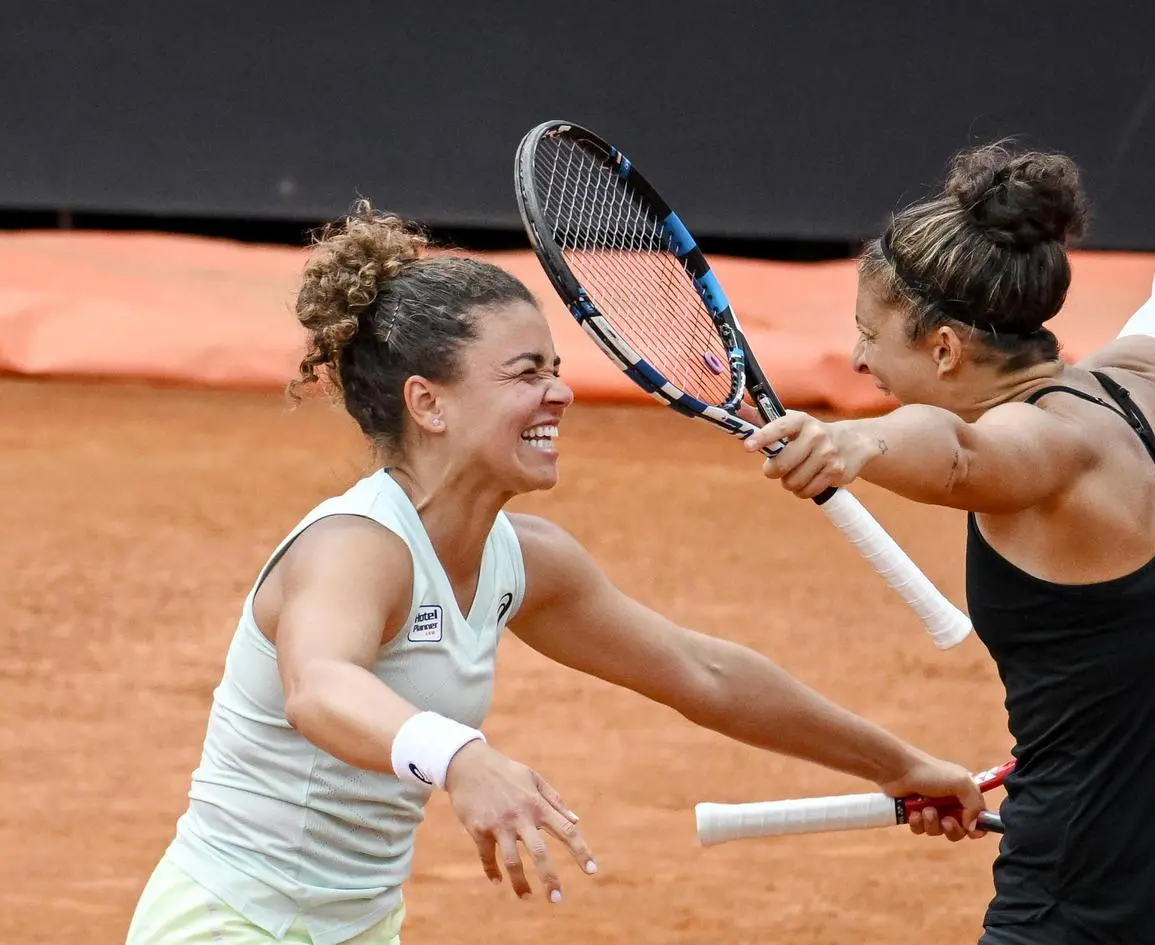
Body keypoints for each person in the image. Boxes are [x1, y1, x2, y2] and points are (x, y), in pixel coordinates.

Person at [123, 201, 986, 945]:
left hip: (355, 925)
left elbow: (702, 672)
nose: (560, 394)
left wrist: (897, 763)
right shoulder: (356, 547)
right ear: (429, 402)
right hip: (226, 922)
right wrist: (461, 758)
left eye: (557, 370)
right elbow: (318, 687)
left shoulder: (523, 559)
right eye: (525, 373)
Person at [744, 65, 1155, 944]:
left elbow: (958, 454)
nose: (857, 361)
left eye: (868, 337)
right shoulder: (1144, 386)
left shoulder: (1047, 450)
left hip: (1073, 915)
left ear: (943, 350)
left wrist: (854, 442)